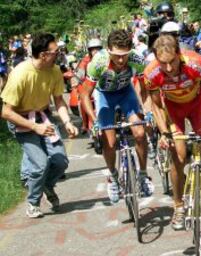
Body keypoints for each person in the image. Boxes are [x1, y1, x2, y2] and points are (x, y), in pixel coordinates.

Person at [144, 35, 201, 230]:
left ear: (179, 53)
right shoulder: (152, 73)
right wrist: (164, 133)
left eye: (172, 62)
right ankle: (178, 206)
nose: (168, 69)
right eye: (163, 64)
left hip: (197, 107)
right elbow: (156, 105)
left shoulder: (197, 64)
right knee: (178, 157)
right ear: (155, 59)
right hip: (173, 111)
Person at [1, 33, 79, 218]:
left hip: (43, 117)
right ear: (43, 54)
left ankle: (46, 185)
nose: (59, 54)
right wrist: (34, 127)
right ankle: (33, 202)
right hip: (21, 121)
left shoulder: (55, 71)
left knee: (60, 162)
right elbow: (5, 112)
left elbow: (59, 100)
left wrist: (67, 122)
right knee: (40, 165)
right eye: (56, 51)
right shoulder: (20, 73)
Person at [80, 29, 154, 204]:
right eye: (116, 55)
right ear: (108, 49)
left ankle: (143, 175)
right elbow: (84, 95)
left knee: (140, 133)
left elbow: (145, 90)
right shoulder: (97, 62)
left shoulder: (137, 59)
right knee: (110, 143)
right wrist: (95, 121)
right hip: (105, 96)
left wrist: (149, 111)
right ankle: (113, 177)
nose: (121, 60)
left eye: (124, 55)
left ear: (130, 50)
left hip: (126, 93)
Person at [71, 38, 103, 134]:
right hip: (90, 87)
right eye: (93, 49)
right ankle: (85, 124)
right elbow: (79, 73)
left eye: (97, 49)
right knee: (82, 101)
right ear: (89, 51)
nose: (95, 51)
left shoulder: (106, 59)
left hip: (104, 86)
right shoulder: (85, 61)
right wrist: (75, 80)